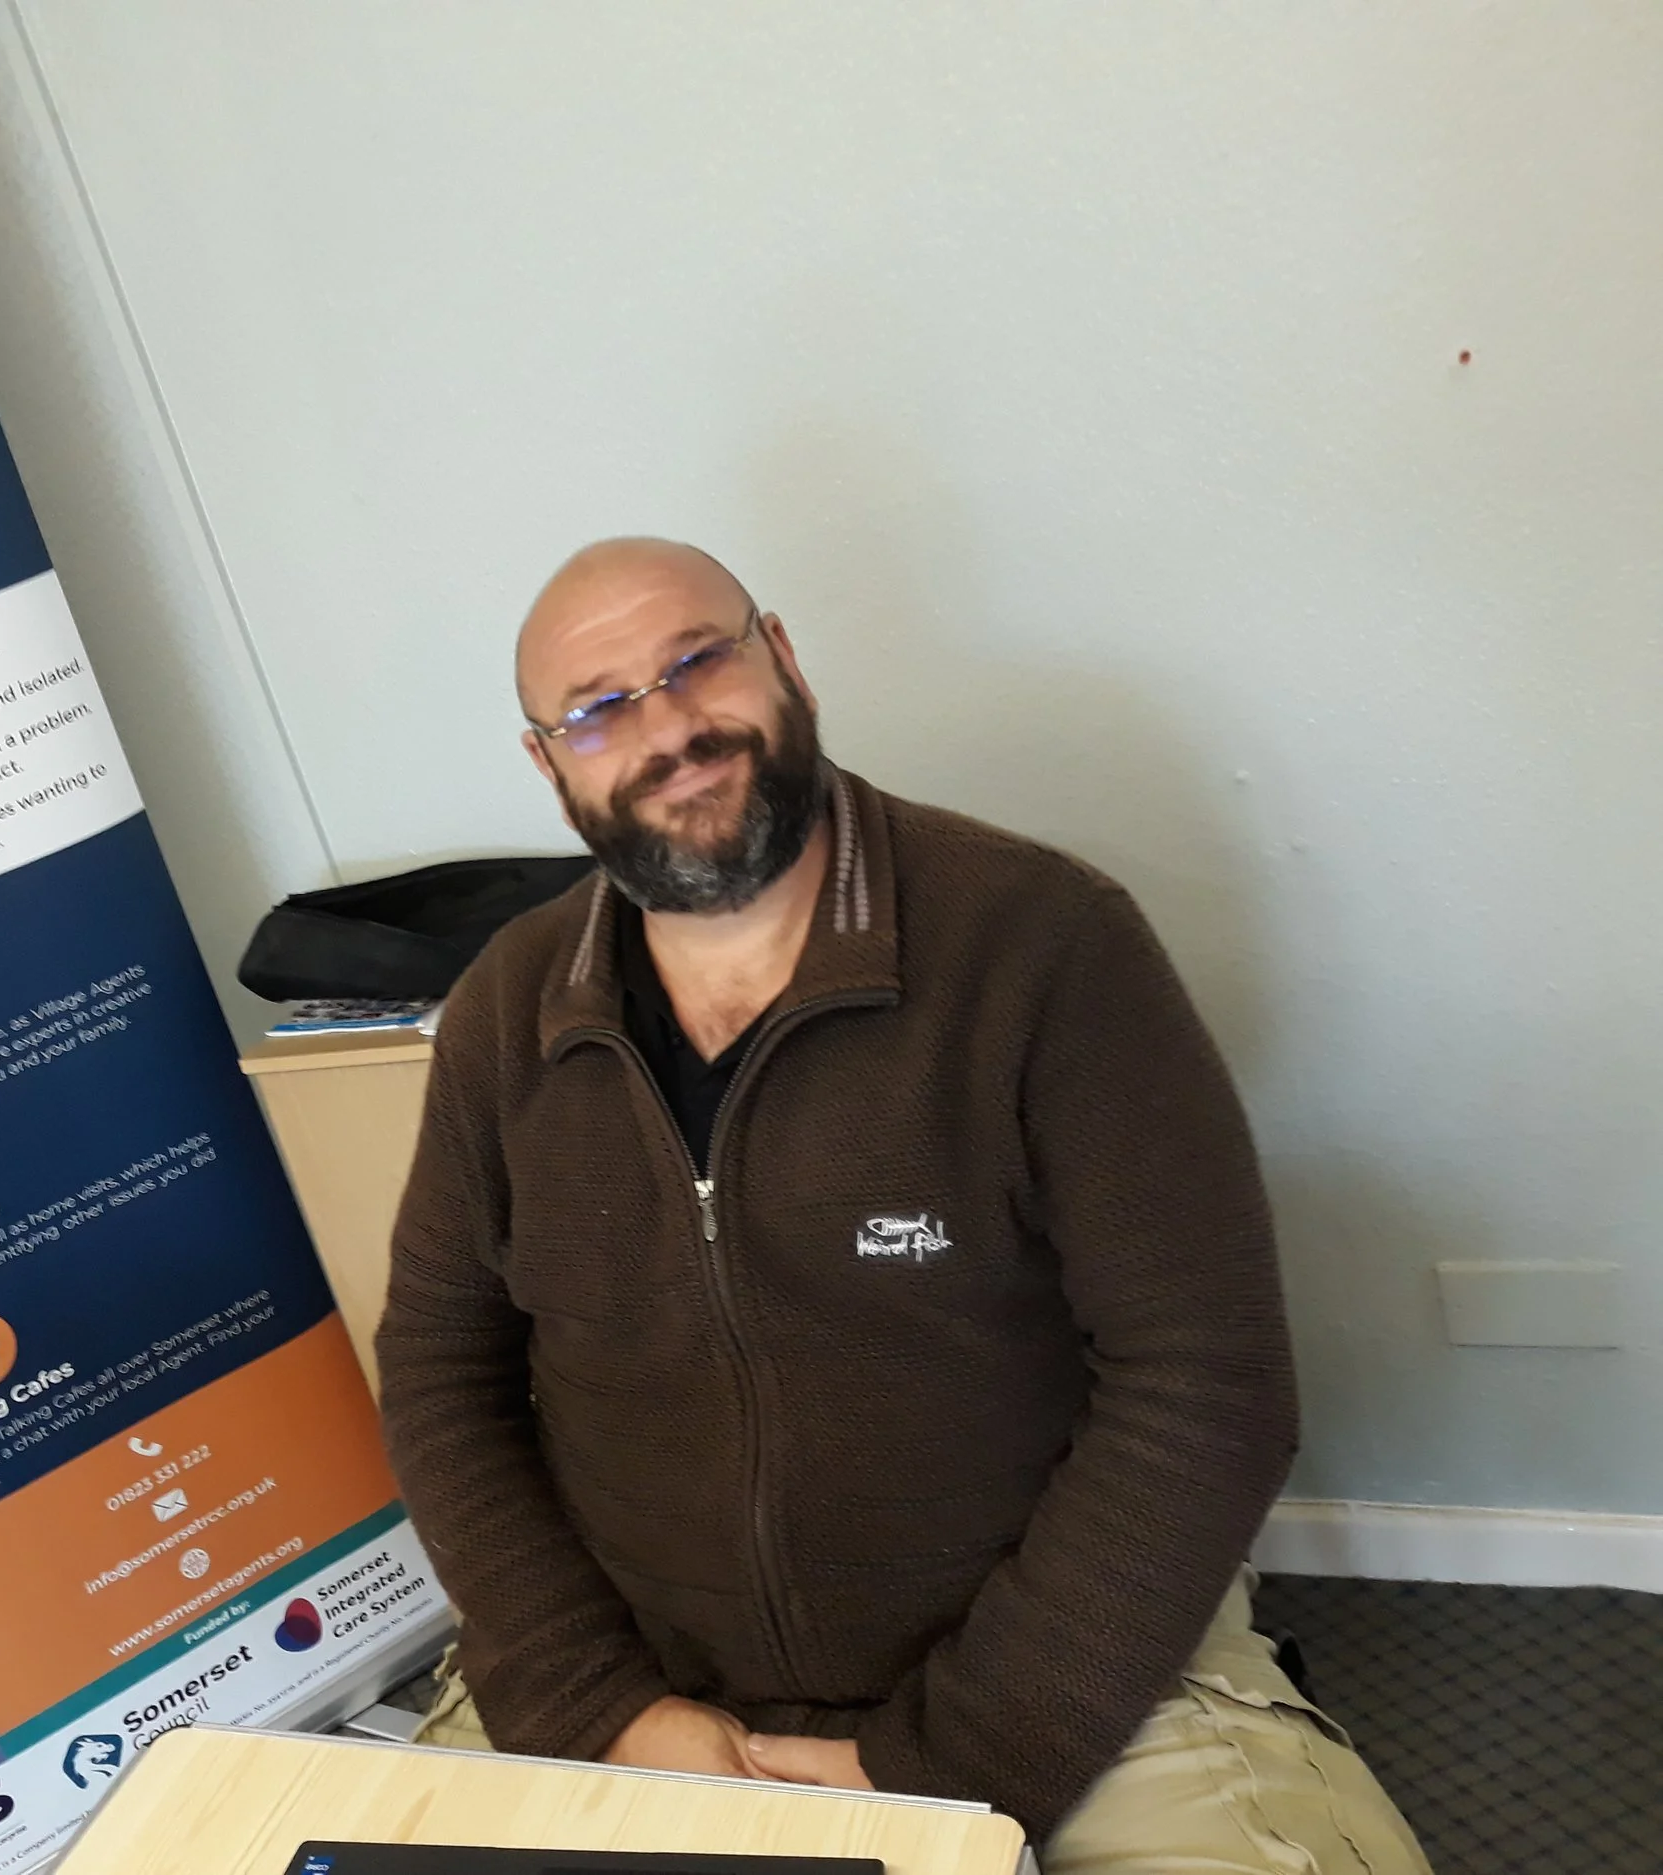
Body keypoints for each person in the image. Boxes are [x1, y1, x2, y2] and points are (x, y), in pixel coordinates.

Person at [374, 539, 1432, 1872]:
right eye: (600, 706)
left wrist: (952, 1756)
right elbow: (437, 1367)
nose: (673, 726)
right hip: (637, 1683)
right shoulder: (506, 1012)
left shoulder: (1045, 944)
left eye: (701, 659)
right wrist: (600, 1705)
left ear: (785, 661)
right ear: (548, 763)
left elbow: (1208, 1381)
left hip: (1061, 1677)